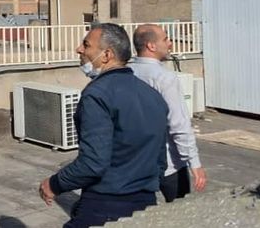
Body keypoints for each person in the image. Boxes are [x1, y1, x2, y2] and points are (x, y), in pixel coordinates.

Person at [39, 23, 168, 228]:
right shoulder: (153, 96)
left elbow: (93, 163)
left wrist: (54, 184)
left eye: (86, 45)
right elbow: (160, 161)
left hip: (105, 206)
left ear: (106, 55)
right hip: (145, 205)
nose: (79, 50)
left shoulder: (97, 94)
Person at [130, 24, 207, 202]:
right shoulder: (164, 78)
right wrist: (194, 162)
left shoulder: (127, 73)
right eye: (165, 39)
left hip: (135, 162)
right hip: (168, 163)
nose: (170, 43)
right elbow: (178, 124)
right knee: (181, 214)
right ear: (151, 46)